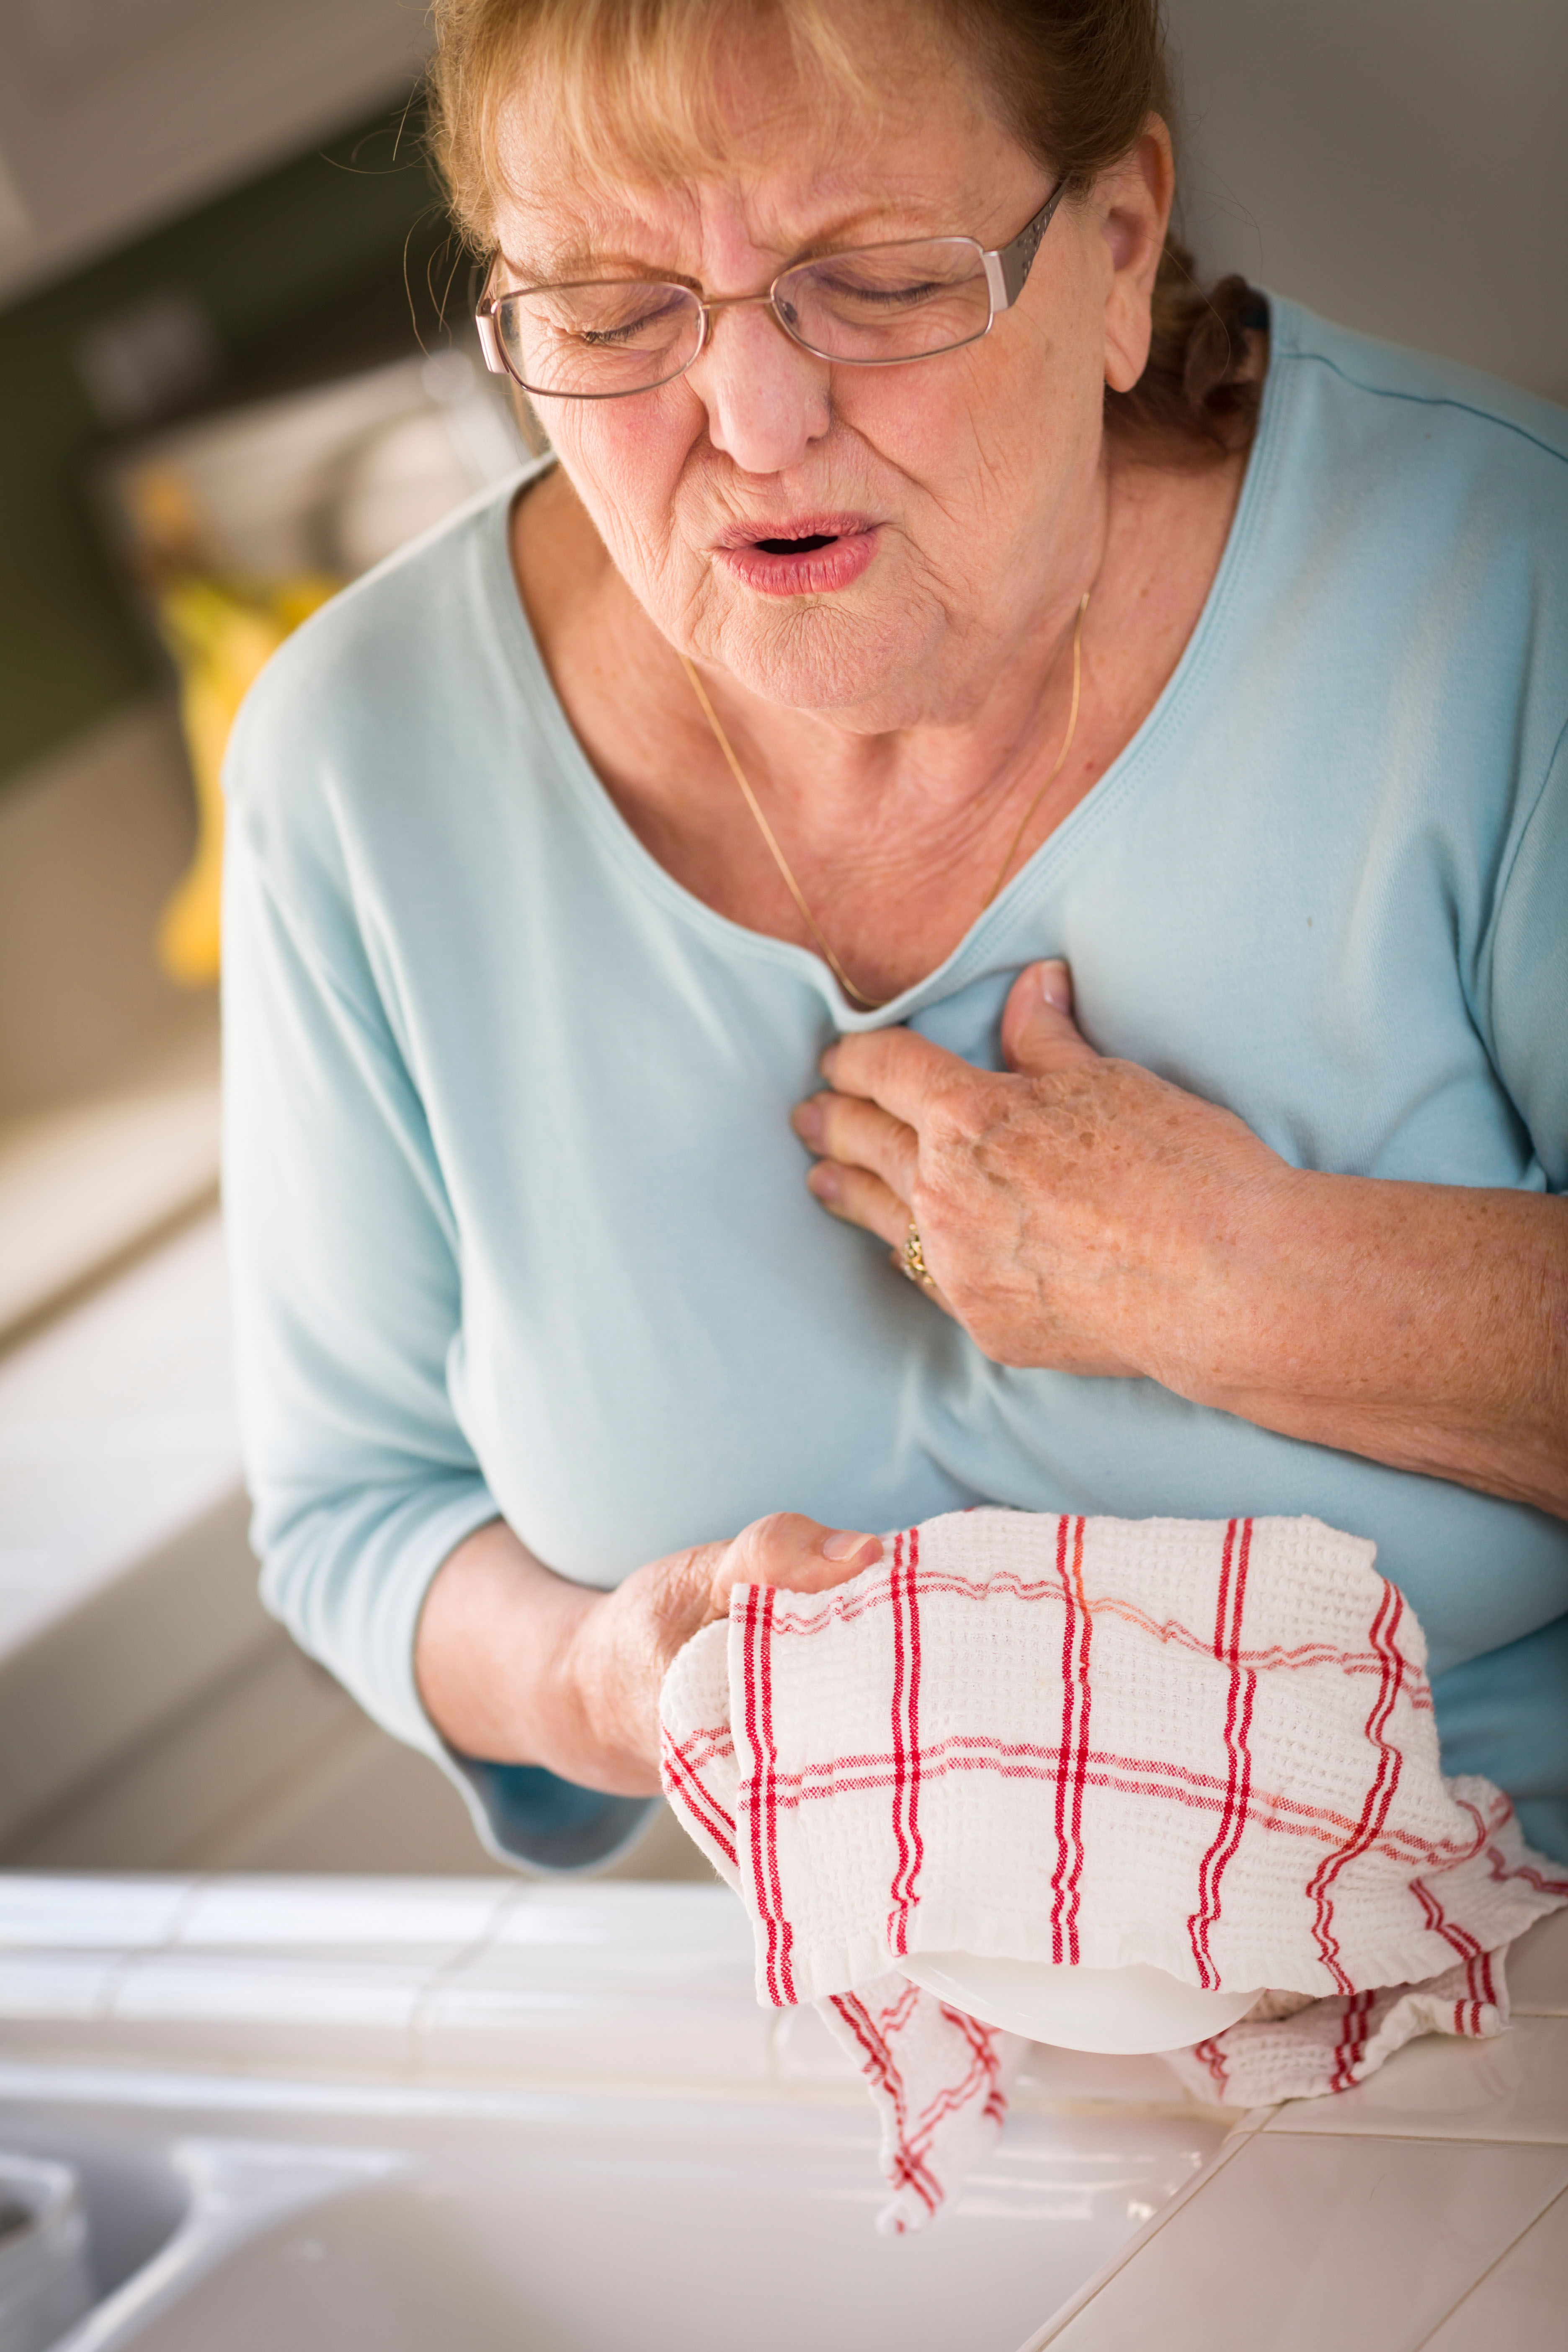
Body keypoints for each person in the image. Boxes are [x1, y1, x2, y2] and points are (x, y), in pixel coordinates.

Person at [222, 0, 1568, 1874]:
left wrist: (1245, 1283)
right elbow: (362, 1519)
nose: (754, 424)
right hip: (871, 2083)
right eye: (612, 314)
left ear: (1111, 252)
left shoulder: (1502, 591)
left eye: (871, 282)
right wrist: (612, 1680)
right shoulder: (358, 760)